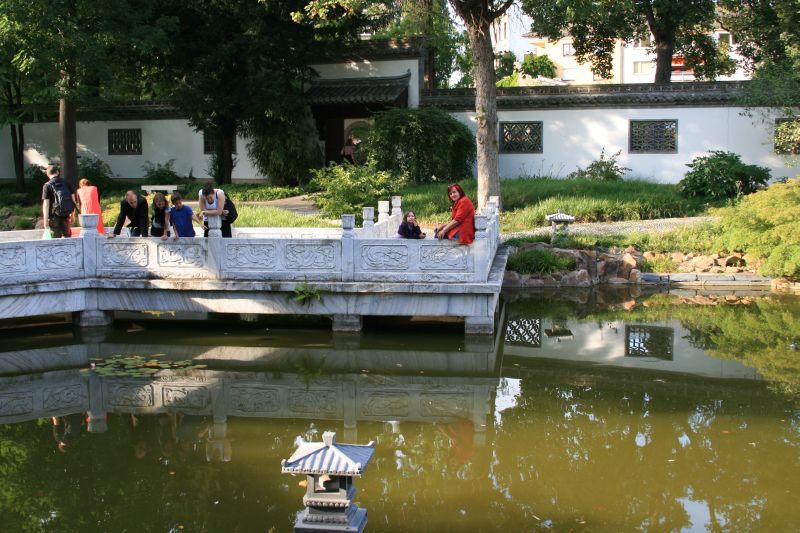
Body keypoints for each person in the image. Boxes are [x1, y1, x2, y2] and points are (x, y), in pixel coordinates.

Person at [41, 165, 76, 238]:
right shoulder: (66, 183)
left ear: (47, 174)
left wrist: (45, 220)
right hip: (66, 215)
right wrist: (73, 215)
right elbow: (73, 200)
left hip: (53, 216)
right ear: (57, 172)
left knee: (56, 240)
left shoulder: (47, 185)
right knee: (67, 238)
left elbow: (46, 205)